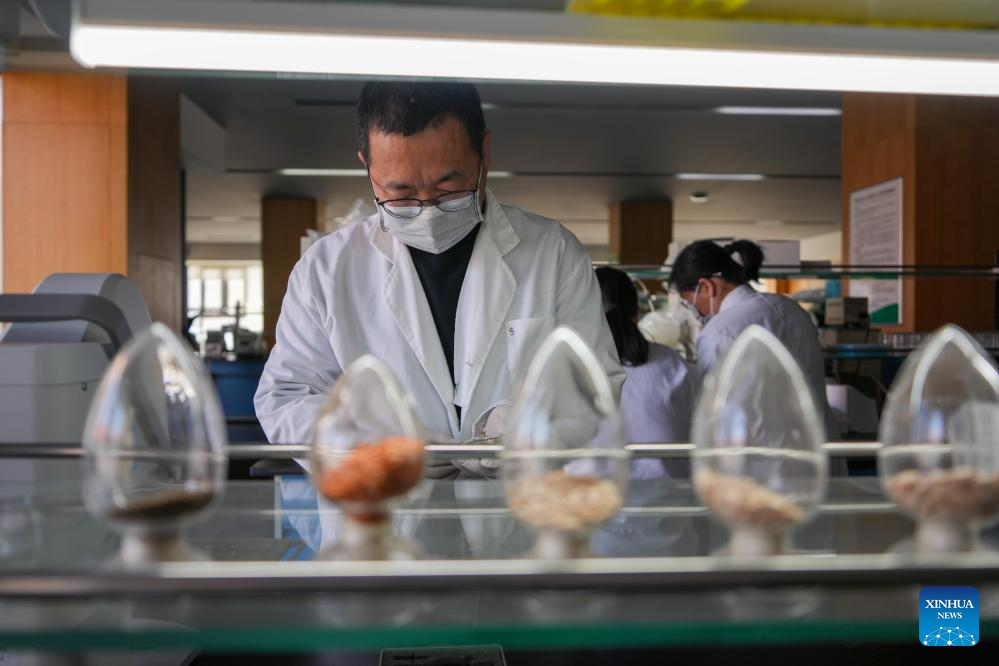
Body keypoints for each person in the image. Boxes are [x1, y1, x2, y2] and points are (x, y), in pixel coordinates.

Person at [254, 81, 624, 466]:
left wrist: (533, 426)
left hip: (519, 497)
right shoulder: (327, 269)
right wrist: (373, 447)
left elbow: (595, 385)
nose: (427, 210)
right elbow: (287, 397)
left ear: (485, 153)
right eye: (401, 193)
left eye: (448, 188)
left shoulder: (553, 252)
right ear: (367, 166)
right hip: (383, 500)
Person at [668, 239, 839, 438]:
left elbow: (716, 412)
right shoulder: (792, 308)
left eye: (689, 302)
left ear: (706, 287)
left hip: (762, 451)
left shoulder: (719, 331)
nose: (694, 311)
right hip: (819, 444)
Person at [596, 267, 698, 479]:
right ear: (638, 314)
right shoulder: (672, 364)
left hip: (591, 496)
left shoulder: (567, 370)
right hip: (668, 495)